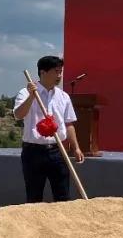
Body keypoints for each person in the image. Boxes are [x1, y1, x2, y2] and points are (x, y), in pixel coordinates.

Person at [12, 55, 84, 203]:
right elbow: (18, 115)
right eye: (56, 71)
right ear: (43, 72)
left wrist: (76, 148)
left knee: (63, 196)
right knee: (34, 196)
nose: (59, 76)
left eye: (60, 71)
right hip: (33, 151)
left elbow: (68, 124)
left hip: (57, 151)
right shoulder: (25, 93)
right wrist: (32, 96)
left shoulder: (63, 97)